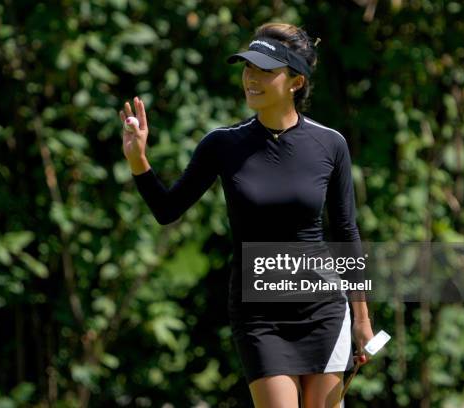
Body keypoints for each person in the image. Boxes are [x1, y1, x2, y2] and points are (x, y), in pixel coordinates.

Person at [119, 22, 374, 408]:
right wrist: (139, 161)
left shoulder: (330, 144)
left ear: (296, 82)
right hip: (260, 317)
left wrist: (361, 318)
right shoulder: (222, 144)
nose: (251, 79)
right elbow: (167, 209)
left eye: (265, 71)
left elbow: (345, 232)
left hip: (323, 308)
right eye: (247, 68)